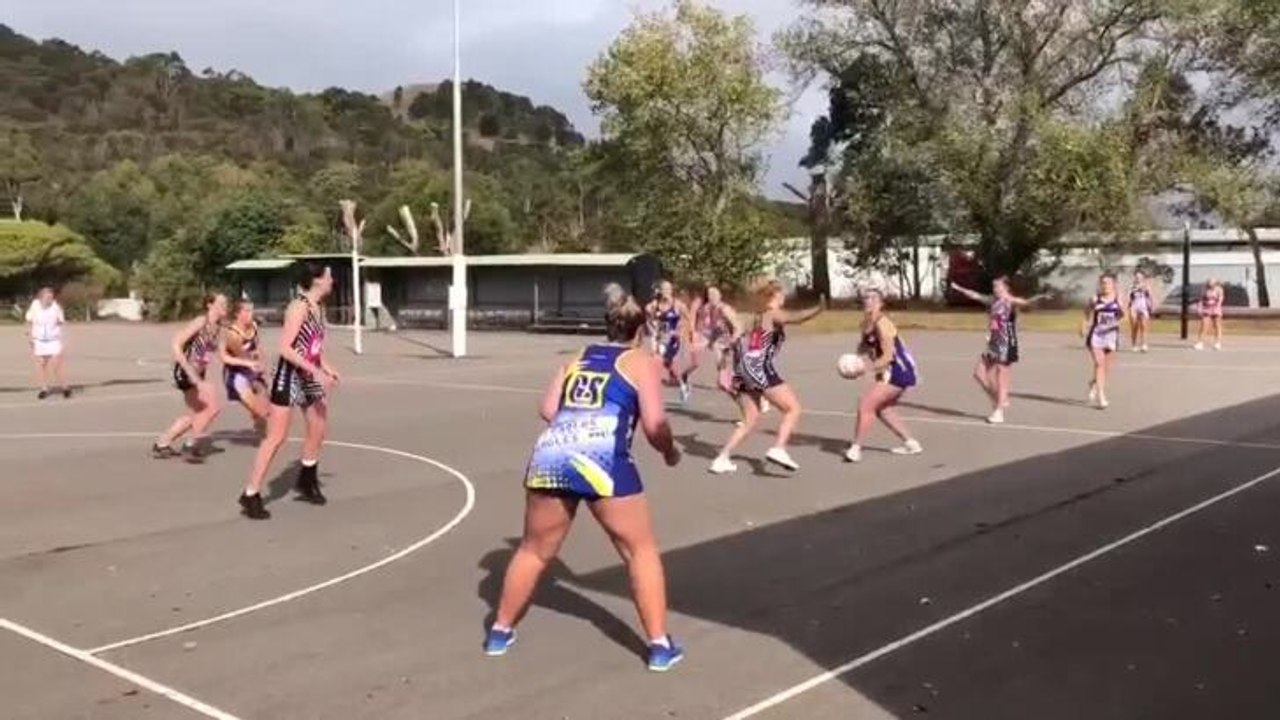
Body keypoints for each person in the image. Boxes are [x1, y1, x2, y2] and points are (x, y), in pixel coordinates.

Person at [485, 283, 685, 672]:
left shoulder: (575, 357)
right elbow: (655, 425)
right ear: (639, 330)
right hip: (602, 459)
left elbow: (547, 409)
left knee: (533, 549)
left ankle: (499, 630)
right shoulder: (641, 363)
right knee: (639, 551)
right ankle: (660, 645)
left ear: (607, 326)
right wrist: (670, 451)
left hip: (553, 454)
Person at [238, 263, 339, 520]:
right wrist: (315, 371)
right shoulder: (299, 307)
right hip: (290, 374)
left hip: (309, 371)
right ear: (317, 280)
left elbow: (312, 346)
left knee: (318, 426)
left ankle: (307, 479)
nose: (332, 280)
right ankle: (251, 493)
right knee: (277, 436)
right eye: (328, 276)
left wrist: (325, 367)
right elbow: (286, 348)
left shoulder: (318, 308)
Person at [709, 280, 824, 474]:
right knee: (793, 408)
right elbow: (797, 318)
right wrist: (818, 309)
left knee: (750, 419)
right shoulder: (773, 313)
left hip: (745, 366)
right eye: (780, 294)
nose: (783, 297)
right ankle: (779, 448)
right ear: (773, 297)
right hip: (758, 366)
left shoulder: (758, 317)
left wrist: (731, 362)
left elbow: (740, 339)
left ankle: (722, 458)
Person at [949, 278, 1048, 424]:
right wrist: (959, 288)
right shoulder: (993, 301)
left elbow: (1025, 302)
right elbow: (974, 295)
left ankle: (999, 411)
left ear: (1006, 288)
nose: (995, 289)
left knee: (1000, 374)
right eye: (994, 286)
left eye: (998, 286)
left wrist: (1039, 297)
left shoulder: (1009, 301)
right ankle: (999, 400)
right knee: (979, 373)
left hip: (1006, 342)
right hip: (994, 343)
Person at [844, 288, 923, 461]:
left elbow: (888, 355)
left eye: (873, 298)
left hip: (898, 369)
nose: (868, 301)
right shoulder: (866, 323)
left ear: (881, 303)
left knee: (866, 405)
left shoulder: (883, 323)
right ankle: (911, 443)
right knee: (882, 408)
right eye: (866, 297)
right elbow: (865, 346)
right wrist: (853, 361)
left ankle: (856, 448)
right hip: (886, 371)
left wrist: (867, 369)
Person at [152, 293, 227, 459]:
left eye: (226, 303)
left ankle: (163, 443)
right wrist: (191, 374)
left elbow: (224, 355)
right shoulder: (201, 322)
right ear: (209, 304)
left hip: (198, 373)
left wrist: (247, 364)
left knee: (195, 413)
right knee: (210, 408)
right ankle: (191, 443)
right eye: (221, 303)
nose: (225, 306)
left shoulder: (219, 328)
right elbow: (176, 343)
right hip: (186, 371)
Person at [680, 285, 739, 404]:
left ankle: (752, 402)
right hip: (710, 337)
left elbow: (738, 328)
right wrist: (694, 333)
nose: (712, 297)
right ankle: (684, 376)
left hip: (726, 341)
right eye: (710, 295)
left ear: (720, 296)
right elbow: (695, 318)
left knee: (730, 376)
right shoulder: (705, 306)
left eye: (715, 295)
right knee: (696, 362)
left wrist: (731, 342)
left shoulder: (724, 309)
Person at [220, 298, 269, 435]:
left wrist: (261, 361)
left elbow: (257, 347)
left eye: (252, 310)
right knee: (259, 410)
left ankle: (263, 435)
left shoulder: (253, 326)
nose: (251, 313)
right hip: (237, 375)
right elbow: (237, 357)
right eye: (247, 311)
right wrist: (251, 363)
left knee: (265, 409)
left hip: (251, 371)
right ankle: (265, 439)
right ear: (237, 313)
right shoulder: (233, 334)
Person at [1081, 273, 1126, 409]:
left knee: (1105, 368)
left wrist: (1116, 323)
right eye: (1103, 283)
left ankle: (1094, 383)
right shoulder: (1095, 299)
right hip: (1096, 335)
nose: (1105, 285)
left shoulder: (1119, 299)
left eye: (1108, 283)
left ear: (1114, 284)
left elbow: (1125, 316)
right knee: (1099, 363)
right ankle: (1101, 396)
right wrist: (1083, 326)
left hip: (1111, 336)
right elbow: (1087, 313)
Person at [645, 281, 692, 402]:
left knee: (660, 362)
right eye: (664, 289)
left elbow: (688, 319)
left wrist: (681, 331)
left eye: (669, 289)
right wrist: (653, 329)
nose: (667, 291)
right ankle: (682, 384)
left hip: (672, 338)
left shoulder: (678, 305)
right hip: (659, 337)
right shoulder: (653, 306)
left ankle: (655, 391)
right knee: (666, 364)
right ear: (659, 290)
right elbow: (648, 320)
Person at [25, 287, 71, 399]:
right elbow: (29, 321)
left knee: (56, 365)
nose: (50, 299)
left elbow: (61, 322)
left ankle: (65, 387)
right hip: (39, 340)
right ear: (41, 298)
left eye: (51, 297)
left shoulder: (56, 308)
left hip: (53, 341)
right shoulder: (35, 306)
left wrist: (61, 336)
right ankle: (44, 389)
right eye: (47, 297)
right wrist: (29, 336)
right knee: (41, 365)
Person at [1195, 277, 1224, 351]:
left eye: (1212, 284)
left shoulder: (1219, 289)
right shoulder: (1204, 289)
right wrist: (1199, 308)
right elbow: (1201, 299)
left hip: (1216, 309)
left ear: (1215, 284)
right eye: (1209, 284)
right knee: (1204, 325)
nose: (1211, 286)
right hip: (1206, 309)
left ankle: (1218, 343)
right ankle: (1200, 343)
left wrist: (1217, 306)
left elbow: (1220, 299)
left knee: (1217, 325)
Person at [1128, 270, 1154, 353]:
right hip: (1134, 306)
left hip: (1143, 307)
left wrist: (1150, 306)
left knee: (1143, 325)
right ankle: (1134, 344)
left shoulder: (1146, 286)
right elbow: (1128, 297)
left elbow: (1150, 297)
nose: (1138, 278)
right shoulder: (1131, 286)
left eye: (1139, 277)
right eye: (1136, 277)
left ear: (1143, 278)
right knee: (1134, 326)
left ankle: (1144, 344)